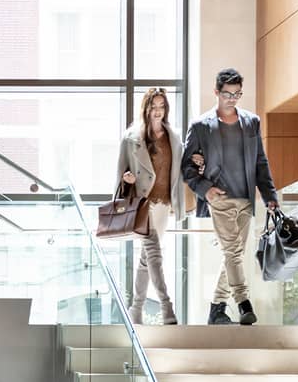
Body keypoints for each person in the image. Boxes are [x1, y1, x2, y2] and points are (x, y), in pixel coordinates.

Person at [181, 68, 279, 325]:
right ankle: (244, 302)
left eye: (237, 94)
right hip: (220, 199)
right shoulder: (201, 126)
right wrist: (206, 189)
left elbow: (260, 162)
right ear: (216, 92)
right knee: (233, 253)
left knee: (233, 255)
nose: (232, 99)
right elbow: (187, 167)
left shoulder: (251, 122)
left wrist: (269, 195)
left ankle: (216, 309)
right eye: (227, 94)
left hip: (245, 198)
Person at [116, 87, 186, 324]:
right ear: (145, 109)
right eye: (153, 107)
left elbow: (179, 171)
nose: (157, 111)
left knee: (147, 259)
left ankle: (136, 310)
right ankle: (167, 308)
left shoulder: (173, 137)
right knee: (154, 253)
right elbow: (120, 172)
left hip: (164, 203)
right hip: (142, 204)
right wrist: (126, 179)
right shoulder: (131, 138)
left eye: (161, 106)